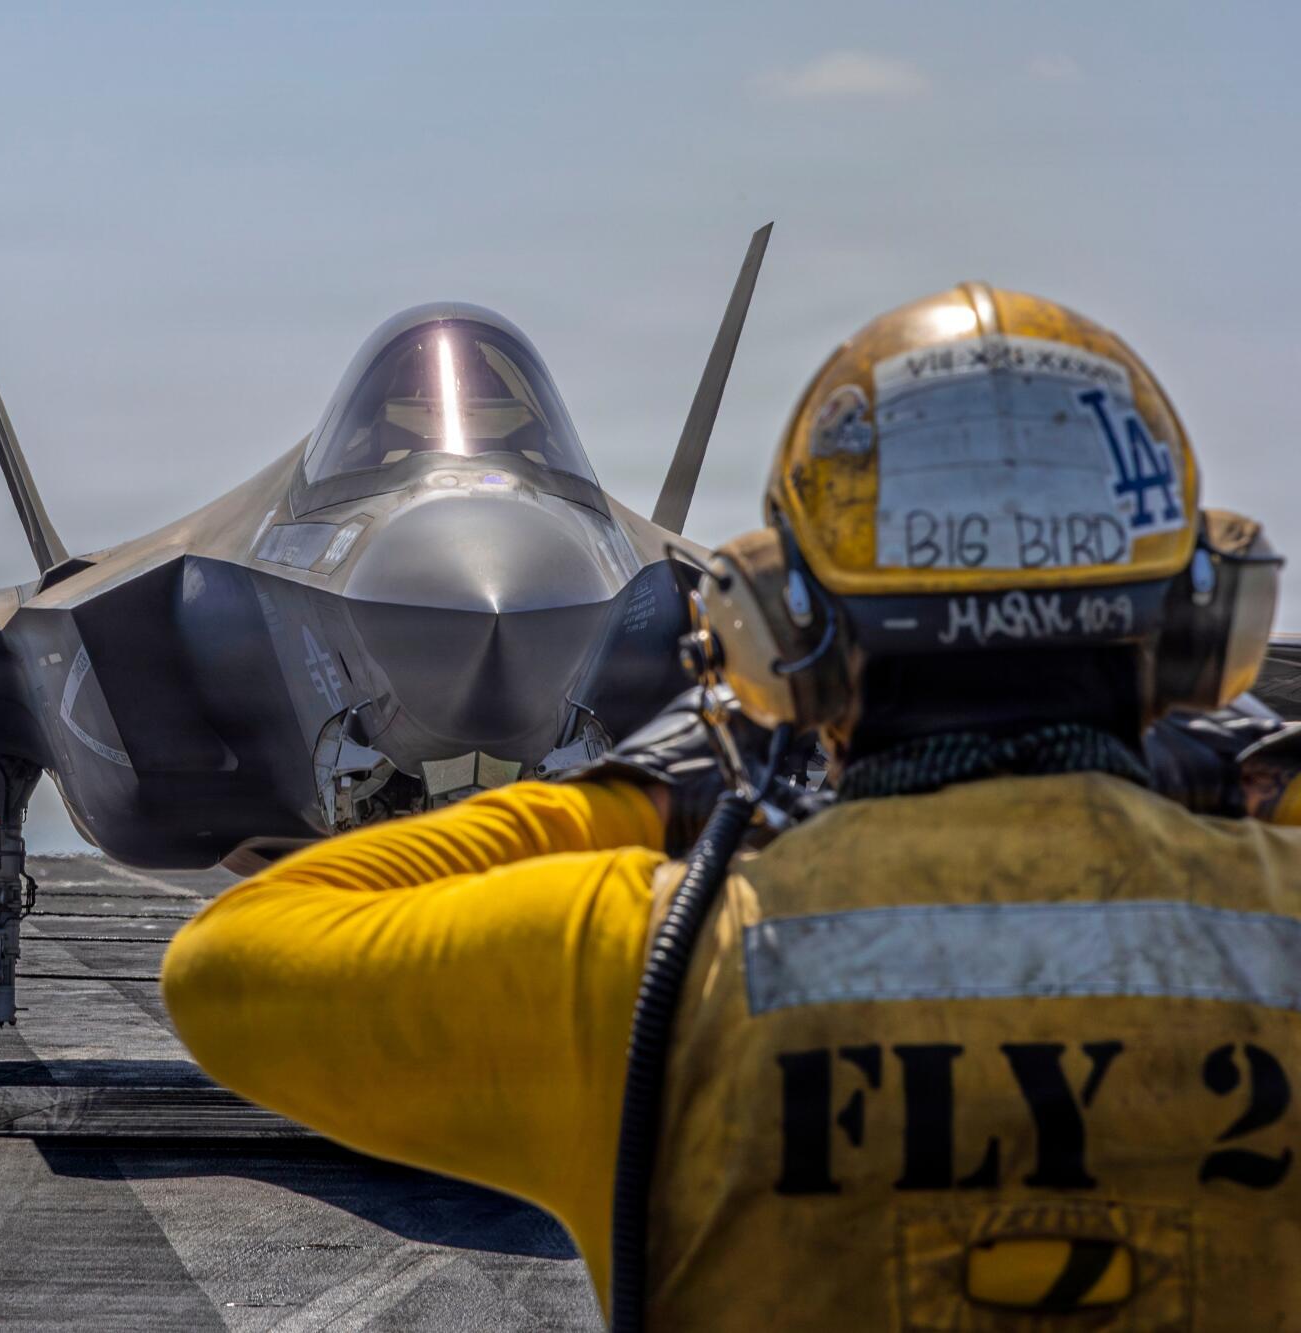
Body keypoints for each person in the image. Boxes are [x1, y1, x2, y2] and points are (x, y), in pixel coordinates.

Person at [161, 283, 1300, 1329]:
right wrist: (1250, 772)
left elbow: (230, 967)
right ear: (1210, 632)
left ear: (778, 630)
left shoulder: (639, 963)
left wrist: (636, 791)